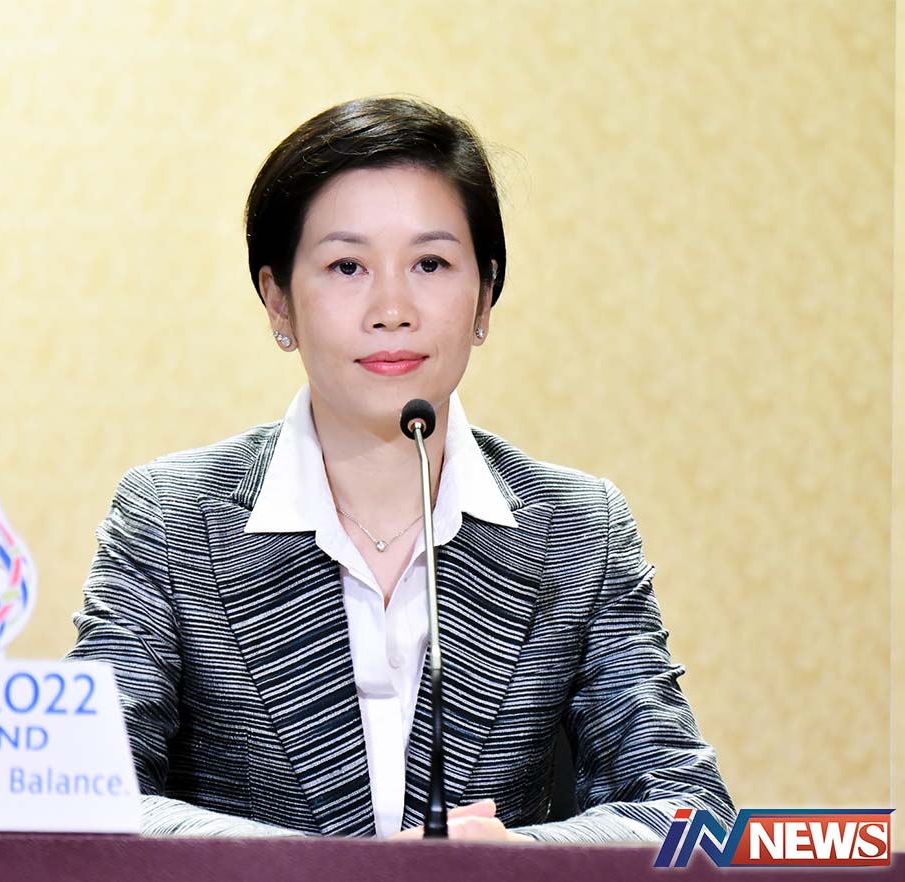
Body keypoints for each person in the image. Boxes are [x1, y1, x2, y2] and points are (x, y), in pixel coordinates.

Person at [66, 96, 735, 842]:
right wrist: (341, 877)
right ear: (278, 301)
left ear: (484, 297)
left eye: (430, 264)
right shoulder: (171, 517)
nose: (392, 308)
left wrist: (515, 858)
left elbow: (692, 814)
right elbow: (93, 798)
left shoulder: (578, 529)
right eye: (347, 266)